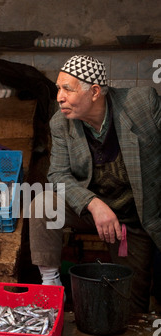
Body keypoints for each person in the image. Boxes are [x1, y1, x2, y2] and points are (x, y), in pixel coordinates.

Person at [29, 55, 161, 314]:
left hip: (135, 218)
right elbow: (57, 174)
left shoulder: (142, 103)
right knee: (43, 204)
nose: (59, 97)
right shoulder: (61, 122)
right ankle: (51, 286)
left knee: (133, 309)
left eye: (67, 89)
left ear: (95, 92)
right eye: (58, 88)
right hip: (93, 211)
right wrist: (92, 203)